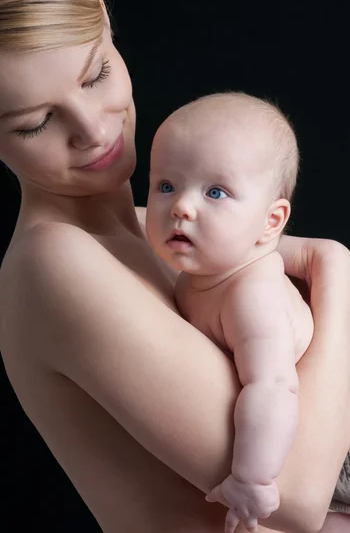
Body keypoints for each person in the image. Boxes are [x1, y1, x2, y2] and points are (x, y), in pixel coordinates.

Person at [0, 0, 349, 533]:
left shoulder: (159, 228)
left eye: (97, 74)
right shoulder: (55, 261)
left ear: (107, 18)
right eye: (36, 122)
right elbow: (293, 499)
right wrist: (336, 269)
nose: (91, 130)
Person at [145, 92, 350, 532]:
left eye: (215, 192)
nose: (181, 206)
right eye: (166, 185)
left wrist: (251, 480)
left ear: (271, 223)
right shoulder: (204, 267)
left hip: (334, 449)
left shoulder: (251, 293)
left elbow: (274, 387)